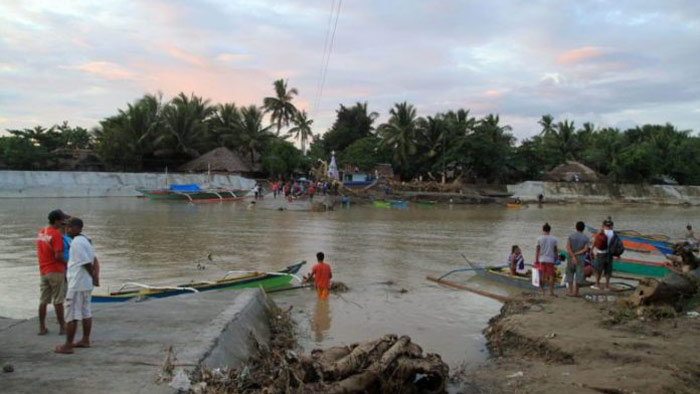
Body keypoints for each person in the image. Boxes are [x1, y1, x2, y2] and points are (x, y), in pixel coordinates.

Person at [55, 217, 96, 354]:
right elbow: (93, 260)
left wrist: (93, 275)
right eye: (67, 227)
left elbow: (86, 263)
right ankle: (85, 339)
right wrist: (93, 277)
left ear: (78, 228)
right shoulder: (85, 240)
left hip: (77, 283)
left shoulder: (77, 243)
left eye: (71, 227)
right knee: (86, 312)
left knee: (71, 315)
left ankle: (68, 345)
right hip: (85, 283)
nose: (67, 229)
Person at [37, 209, 69, 335]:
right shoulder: (56, 235)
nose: (63, 222)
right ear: (56, 221)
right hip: (56, 270)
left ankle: (42, 327)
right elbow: (59, 256)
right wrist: (69, 264)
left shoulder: (41, 232)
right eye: (62, 220)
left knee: (43, 300)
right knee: (58, 300)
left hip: (43, 270)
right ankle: (62, 327)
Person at [566, 221, 590, 297]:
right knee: (579, 274)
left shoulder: (571, 236)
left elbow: (568, 248)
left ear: (576, 227)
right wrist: (577, 254)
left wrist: (573, 256)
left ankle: (570, 291)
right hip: (580, 258)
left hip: (570, 257)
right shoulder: (586, 238)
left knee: (570, 273)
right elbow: (585, 249)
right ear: (583, 228)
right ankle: (576, 292)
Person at [535, 222, 558, 296]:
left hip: (542, 259)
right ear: (550, 230)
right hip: (550, 260)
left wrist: (536, 259)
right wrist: (556, 257)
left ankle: (542, 290)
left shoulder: (539, 238)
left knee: (542, 275)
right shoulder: (554, 239)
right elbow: (555, 250)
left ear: (543, 230)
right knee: (551, 276)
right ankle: (551, 292)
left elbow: (537, 250)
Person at [592, 219, 614, 290]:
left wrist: (591, 250)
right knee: (607, 270)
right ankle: (607, 286)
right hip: (609, 254)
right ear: (611, 226)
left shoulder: (601, 232)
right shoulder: (613, 233)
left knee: (598, 269)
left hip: (601, 253)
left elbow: (595, 242)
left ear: (603, 225)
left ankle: (597, 284)